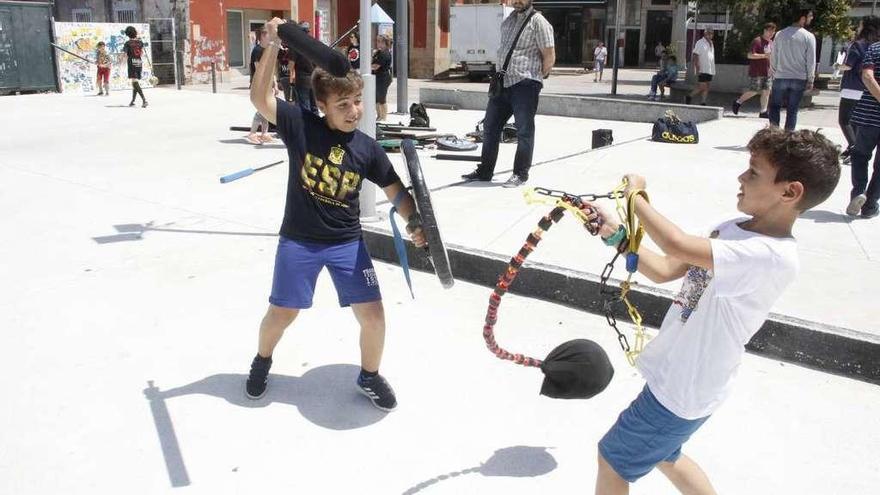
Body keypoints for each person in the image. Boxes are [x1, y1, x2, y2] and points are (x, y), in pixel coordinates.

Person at [585, 127, 840, 494]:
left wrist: (635, 196)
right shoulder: (732, 229)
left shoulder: (772, 257)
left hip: (684, 388)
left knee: (613, 458)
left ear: (790, 191)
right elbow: (664, 269)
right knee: (664, 452)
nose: (740, 177)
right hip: (686, 378)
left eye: (753, 172)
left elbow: (675, 241)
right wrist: (616, 234)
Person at [245, 17, 426, 411]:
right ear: (321, 105)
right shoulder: (300, 126)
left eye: (357, 102)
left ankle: (369, 376)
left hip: (347, 245)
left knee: (375, 318)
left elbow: (397, 192)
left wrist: (414, 222)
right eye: (343, 105)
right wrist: (274, 44)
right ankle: (261, 361)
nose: (354, 111)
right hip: (299, 241)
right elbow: (260, 100)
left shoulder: (367, 148)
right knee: (282, 314)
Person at [461, 0, 555, 188]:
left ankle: (520, 174)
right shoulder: (509, 20)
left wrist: (535, 77)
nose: (516, 1)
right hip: (503, 83)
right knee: (490, 127)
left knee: (524, 131)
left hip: (525, 84)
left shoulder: (539, 22)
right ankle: (485, 171)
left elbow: (549, 55)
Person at [845, 32, 880, 218]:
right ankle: (870, 205)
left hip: (868, 115)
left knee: (860, 155)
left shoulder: (875, 48)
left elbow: (867, 76)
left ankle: (858, 191)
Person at [839, 17, 880, 163]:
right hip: (867, 89)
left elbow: (849, 65)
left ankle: (853, 147)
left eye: (860, 24)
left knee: (844, 120)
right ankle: (852, 148)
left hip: (851, 86)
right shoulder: (876, 45)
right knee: (856, 121)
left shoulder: (858, 44)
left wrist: (837, 66)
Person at [769, 7, 816, 131]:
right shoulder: (809, 37)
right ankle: (788, 136)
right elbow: (811, 60)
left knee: (774, 106)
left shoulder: (779, 34)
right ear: (802, 18)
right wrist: (811, 78)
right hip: (799, 77)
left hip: (781, 76)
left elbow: (774, 56)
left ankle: (774, 134)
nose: (812, 18)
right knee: (792, 109)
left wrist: (774, 72)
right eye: (810, 16)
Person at [732, 22, 777, 117]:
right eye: (770, 31)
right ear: (765, 30)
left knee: (767, 91)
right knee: (754, 90)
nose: (771, 34)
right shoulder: (757, 41)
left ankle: (763, 111)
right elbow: (750, 55)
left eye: (773, 32)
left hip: (767, 71)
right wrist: (765, 55)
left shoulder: (771, 43)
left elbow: (771, 57)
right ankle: (738, 102)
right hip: (757, 71)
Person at [247, 28, 276, 144]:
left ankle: (264, 133)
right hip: (259, 84)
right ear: (264, 36)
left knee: (265, 108)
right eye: (270, 36)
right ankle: (252, 133)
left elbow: (270, 68)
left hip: (266, 83)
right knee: (261, 109)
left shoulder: (265, 49)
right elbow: (260, 69)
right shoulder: (258, 50)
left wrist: (274, 83)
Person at [291, 21, 318, 114]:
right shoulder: (313, 43)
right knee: (314, 107)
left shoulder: (296, 45)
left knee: (305, 107)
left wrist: (291, 79)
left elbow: (291, 64)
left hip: (302, 79)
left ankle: (308, 128)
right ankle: (316, 127)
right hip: (314, 79)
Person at [686, 30, 715, 105]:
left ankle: (703, 101)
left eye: (711, 34)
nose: (710, 35)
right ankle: (689, 96)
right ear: (705, 34)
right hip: (702, 68)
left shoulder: (711, 43)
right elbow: (695, 54)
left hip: (710, 68)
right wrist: (697, 66)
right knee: (702, 86)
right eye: (708, 33)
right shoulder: (700, 42)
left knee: (707, 85)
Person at [121, 26, 148, 108]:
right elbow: (142, 53)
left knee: (134, 81)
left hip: (131, 62)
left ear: (127, 34)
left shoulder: (127, 43)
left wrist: (121, 62)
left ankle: (144, 100)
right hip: (139, 62)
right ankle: (132, 101)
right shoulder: (140, 42)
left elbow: (125, 54)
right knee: (134, 82)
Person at [372, 34, 393, 121]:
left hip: (383, 77)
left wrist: (367, 66)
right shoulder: (378, 52)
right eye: (377, 41)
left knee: (382, 97)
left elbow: (376, 66)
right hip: (377, 76)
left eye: (381, 41)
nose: (378, 43)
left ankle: (383, 117)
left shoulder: (385, 53)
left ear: (386, 43)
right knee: (376, 98)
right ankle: (379, 115)